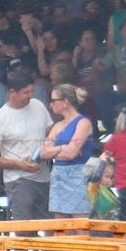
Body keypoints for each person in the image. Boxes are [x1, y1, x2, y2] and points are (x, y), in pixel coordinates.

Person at [0, 72, 54, 222]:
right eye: (25, 92)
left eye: (32, 91)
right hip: (18, 180)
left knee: (50, 225)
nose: (30, 95)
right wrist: (18, 164)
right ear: (12, 92)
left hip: (44, 177)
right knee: (24, 228)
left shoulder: (38, 105)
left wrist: (47, 151)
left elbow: (51, 134)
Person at [43, 83, 97, 218]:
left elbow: (71, 153)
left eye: (54, 101)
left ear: (65, 102)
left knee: (79, 225)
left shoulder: (83, 123)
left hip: (77, 176)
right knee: (60, 225)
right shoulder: (57, 125)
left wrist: (55, 150)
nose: (51, 105)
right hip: (58, 176)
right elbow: (43, 152)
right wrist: (63, 148)